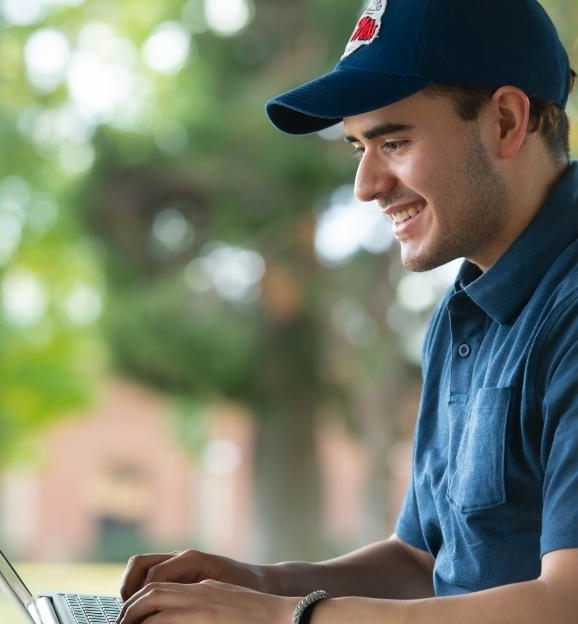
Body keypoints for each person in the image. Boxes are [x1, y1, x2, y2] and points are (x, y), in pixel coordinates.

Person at [117, 0, 578, 622]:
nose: (365, 184)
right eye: (358, 147)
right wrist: (257, 583)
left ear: (504, 121)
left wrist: (286, 618)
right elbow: (422, 563)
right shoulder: (464, 311)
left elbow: (566, 602)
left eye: (393, 141)